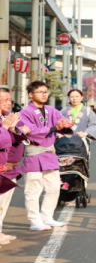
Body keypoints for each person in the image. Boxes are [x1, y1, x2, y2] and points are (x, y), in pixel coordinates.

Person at [19, 81, 74, 231]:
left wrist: (66, 124)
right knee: (33, 190)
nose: (44, 94)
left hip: (49, 153)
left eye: (46, 92)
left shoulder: (51, 110)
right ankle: (34, 221)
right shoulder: (25, 112)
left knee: (54, 187)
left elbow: (60, 123)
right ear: (31, 94)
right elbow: (31, 131)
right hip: (34, 152)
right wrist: (55, 127)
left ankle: (47, 217)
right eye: (40, 92)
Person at [0, 88, 25, 244]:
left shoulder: (8, 117)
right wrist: (5, 128)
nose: (8, 103)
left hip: (10, 168)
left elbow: (20, 137)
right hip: (3, 168)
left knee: (3, 203)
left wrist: (13, 128)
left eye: (10, 100)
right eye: (5, 100)